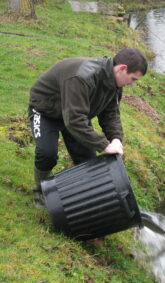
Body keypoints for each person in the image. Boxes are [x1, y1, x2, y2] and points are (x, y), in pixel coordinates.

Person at [28, 48, 148, 208]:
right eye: (133, 79)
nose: (132, 84)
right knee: (47, 153)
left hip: (74, 114)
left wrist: (116, 139)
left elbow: (110, 114)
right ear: (122, 68)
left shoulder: (114, 83)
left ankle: (85, 200)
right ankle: (40, 191)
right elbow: (74, 121)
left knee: (88, 161)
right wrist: (104, 145)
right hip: (46, 109)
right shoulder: (81, 77)